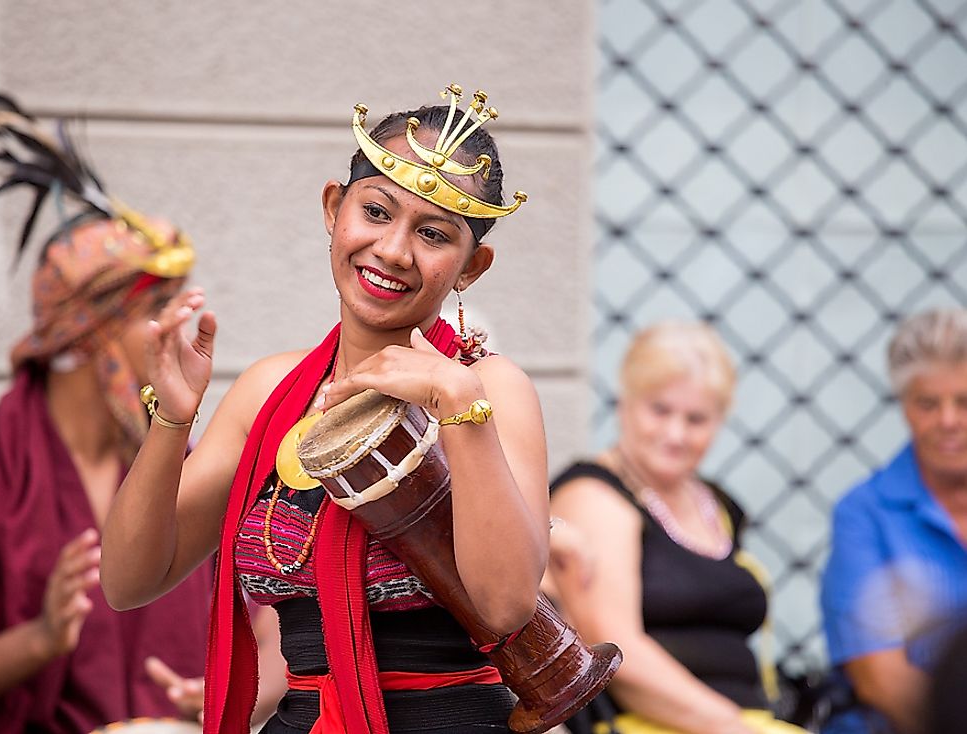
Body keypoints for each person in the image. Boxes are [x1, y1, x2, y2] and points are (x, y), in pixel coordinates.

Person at [99, 83, 551, 734]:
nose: (393, 250)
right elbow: (129, 583)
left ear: (471, 266)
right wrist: (171, 421)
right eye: (376, 211)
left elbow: (507, 604)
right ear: (334, 207)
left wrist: (457, 402)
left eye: (432, 233)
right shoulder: (268, 392)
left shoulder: (489, 390)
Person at [0, 95, 213, 733]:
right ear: (94, 332)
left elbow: (278, 631)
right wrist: (39, 638)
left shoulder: (185, 461)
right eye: (161, 310)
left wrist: (235, 689)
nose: (182, 330)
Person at [547, 321, 807, 734]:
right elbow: (615, 651)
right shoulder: (596, 496)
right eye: (660, 410)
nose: (675, 434)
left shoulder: (717, 505)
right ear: (625, 403)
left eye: (696, 419)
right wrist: (735, 728)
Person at [820, 308, 967, 734]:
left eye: (964, 401)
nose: (948, 420)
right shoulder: (864, 514)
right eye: (928, 403)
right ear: (904, 407)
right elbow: (880, 681)